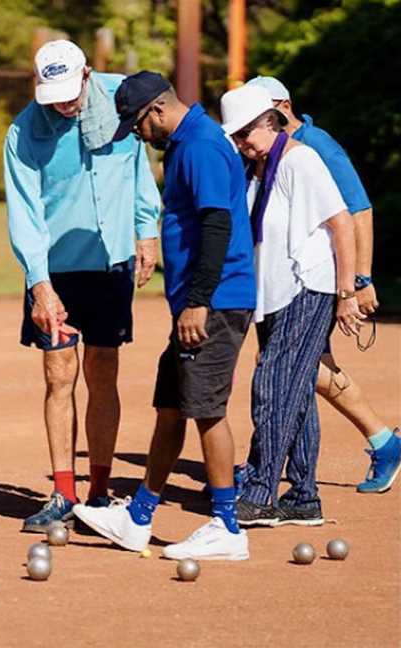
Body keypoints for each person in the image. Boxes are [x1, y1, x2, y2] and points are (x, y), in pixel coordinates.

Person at [73, 72, 256, 560]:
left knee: (206, 408)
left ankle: (227, 526)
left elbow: (218, 224)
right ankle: (138, 517)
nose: (137, 134)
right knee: (172, 404)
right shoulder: (187, 143)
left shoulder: (199, 145)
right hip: (197, 304)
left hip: (214, 302)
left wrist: (198, 300)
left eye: (136, 125)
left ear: (156, 110)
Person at [3, 41, 161, 533]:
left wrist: (146, 229)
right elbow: (24, 213)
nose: (64, 104)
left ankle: (98, 490)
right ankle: (62, 493)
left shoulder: (123, 97)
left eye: (70, 93)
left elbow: (139, 168)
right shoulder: (24, 131)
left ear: (88, 74)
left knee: (104, 371)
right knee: (58, 375)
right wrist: (39, 285)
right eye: (53, 96)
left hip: (112, 259)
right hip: (57, 269)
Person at [244, 76, 400, 494]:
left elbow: (358, 211)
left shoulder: (316, 145)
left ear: (281, 106)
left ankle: (379, 441)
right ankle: (379, 442)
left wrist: (359, 280)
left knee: (289, 367)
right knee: (304, 368)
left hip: (321, 279)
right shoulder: (270, 154)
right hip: (292, 281)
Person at [219, 83, 363, 527]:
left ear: (270, 121)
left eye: (247, 133)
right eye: (236, 137)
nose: (242, 143)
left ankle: (262, 491)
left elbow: (342, 224)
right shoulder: (259, 168)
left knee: (274, 385)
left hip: (309, 286)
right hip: (275, 291)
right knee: (295, 391)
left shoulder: (300, 160)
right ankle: (303, 496)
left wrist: (346, 292)